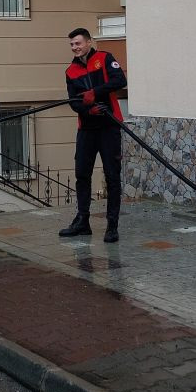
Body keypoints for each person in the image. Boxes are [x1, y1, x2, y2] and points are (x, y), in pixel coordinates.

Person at [59, 27, 128, 243]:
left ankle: (112, 226)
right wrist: (88, 109)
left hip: (109, 126)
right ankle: (82, 222)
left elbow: (120, 81)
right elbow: (74, 102)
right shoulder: (70, 71)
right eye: (72, 44)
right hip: (86, 129)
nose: (75, 47)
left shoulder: (105, 58)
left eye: (78, 43)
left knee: (112, 175)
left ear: (88, 42)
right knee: (82, 174)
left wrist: (96, 93)